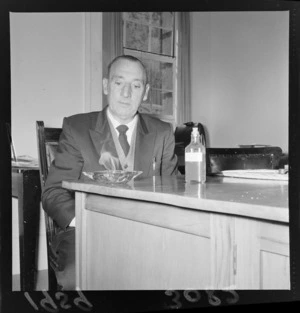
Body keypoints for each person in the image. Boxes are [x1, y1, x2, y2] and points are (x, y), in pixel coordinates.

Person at [42, 55, 178, 290]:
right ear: (106, 85)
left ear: (145, 92)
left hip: (146, 231)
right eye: (119, 83)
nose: (127, 93)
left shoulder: (162, 132)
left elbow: (175, 191)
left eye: (136, 86)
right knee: (83, 277)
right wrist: (87, 223)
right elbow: (53, 192)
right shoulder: (77, 128)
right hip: (87, 233)